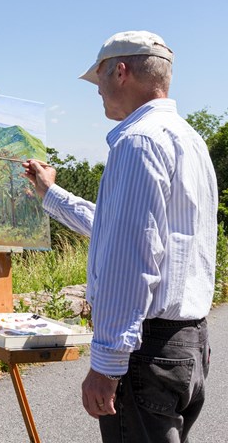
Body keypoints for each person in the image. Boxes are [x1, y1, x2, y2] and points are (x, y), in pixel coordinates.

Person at [24, 31, 218, 443]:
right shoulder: (190, 140)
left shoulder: (138, 142)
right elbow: (126, 228)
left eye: (99, 81)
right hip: (188, 346)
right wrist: (50, 194)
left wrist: (106, 365)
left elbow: (132, 259)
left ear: (121, 72)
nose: (98, 94)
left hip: (146, 352)